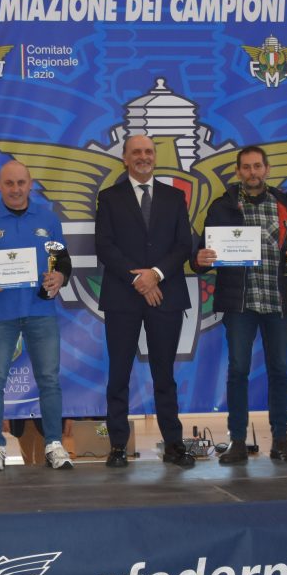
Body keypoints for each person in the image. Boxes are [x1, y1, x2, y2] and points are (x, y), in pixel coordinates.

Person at [0, 160, 74, 472]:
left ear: (30, 184)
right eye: (9, 183)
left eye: (21, 183)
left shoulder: (47, 219)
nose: (16, 189)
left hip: (40, 312)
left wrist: (60, 277)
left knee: (49, 380)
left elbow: (63, 260)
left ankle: (54, 444)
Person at [192, 145, 287, 464]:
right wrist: (201, 258)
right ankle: (237, 441)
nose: (252, 172)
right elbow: (201, 255)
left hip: (276, 300)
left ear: (267, 169)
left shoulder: (286, 205)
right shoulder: (222, 207)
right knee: (238, 370)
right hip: (239, 303)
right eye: (246, 167)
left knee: (279, 370)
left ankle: (281, 439)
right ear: (238, 171)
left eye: (257, 166)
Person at [95, 134, 195, 469]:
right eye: (136, 151)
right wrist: (138, 279)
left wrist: (155, 274)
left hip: (165, 295)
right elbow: (104, 246)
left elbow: (183, 245)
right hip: (122, 297)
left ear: (155, 156)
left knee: (164, 375)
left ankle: (174, 444)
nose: (143, 156)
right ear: (124, 158)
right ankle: (118, 446)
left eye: (148, 151)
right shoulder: (109, 198)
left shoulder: (174, 197)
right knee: (119, 374)